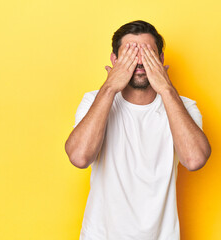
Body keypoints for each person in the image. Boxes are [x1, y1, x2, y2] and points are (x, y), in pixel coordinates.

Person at [65, 20, 212, 240]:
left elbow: (194, 160)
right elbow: (79, 157)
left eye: (148, 53)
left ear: (161, 60)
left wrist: (166, 88)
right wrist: (109, 87)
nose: (140, 61)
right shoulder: (94, 101)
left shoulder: (184, 106)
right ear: (114, 60)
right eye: (130, 54)